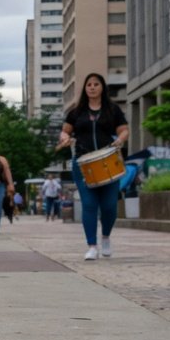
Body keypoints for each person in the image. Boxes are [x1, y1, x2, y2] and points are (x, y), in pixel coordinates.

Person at [56, 72, 130, 261]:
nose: (92, 87)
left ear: (102, 87)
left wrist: (120, 141)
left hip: (108, 161)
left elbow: (124, 131)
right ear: (85, 88)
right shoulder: (76, 111)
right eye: (89, 84)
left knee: (109, 207)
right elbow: (65, 132)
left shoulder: (112, 110)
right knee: (89, 204)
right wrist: (64, 138)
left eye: (96, 84)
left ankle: (105, 236)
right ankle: (92, 246)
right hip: (83, 163)